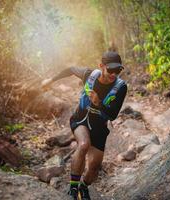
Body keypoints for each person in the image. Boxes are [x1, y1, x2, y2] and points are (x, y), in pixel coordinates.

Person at [42, 51, 127, 200]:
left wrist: (98, 103)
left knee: (94, 167)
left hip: (99, 127)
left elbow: (113, 115)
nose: (114, 74)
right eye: (110, 70)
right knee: (83, 144)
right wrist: (51, 80)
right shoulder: (89, 74)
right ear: (101, 66)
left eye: (118, 70)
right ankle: (73, 189)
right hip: (80, 119)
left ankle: (83, 186)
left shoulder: (121, 87)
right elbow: (70, 69)